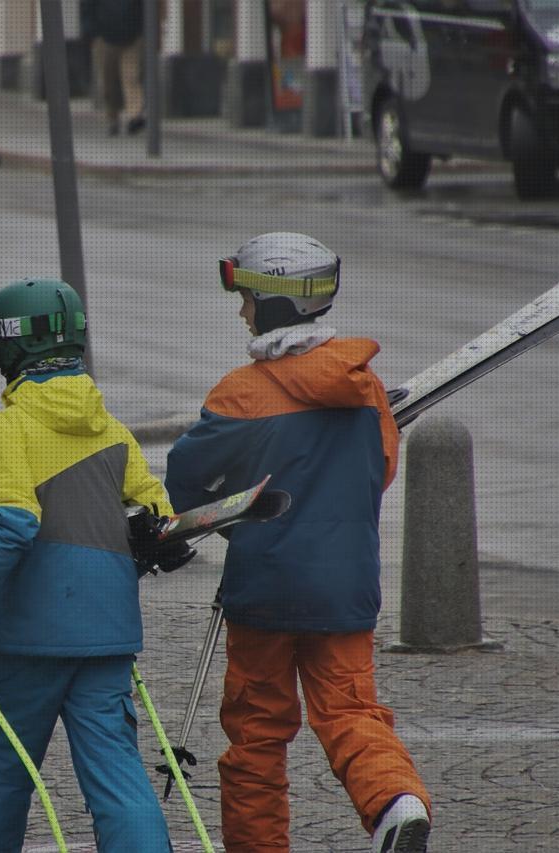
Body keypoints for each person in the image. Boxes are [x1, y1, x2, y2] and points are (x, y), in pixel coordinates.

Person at [165, 233, 432, 853]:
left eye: (248, 300)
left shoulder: (240, 394)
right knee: (351, 713)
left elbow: (187, 483)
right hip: (346, 587)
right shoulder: (365, 388)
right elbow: (381, 470)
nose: (242, 313)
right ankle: (398, 803)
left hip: (264, 589)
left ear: (274, 305)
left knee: (256, 735)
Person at [0, 279, 193, 852]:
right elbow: (158, 514)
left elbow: (14, 522)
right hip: (107, 634)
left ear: (10, 350)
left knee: (3, 772)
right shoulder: (112, 429)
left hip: (30, 641)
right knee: (116, 777)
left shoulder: (8, 428)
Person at [82, 0, 147, 136]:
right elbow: (87, 8)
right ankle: (113, 117)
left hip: (131, 38)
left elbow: (143, 7)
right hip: (105, 38)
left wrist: (141, 30)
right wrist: (92, 33)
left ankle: (134, 115)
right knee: (108, 82)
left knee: (131, 76)